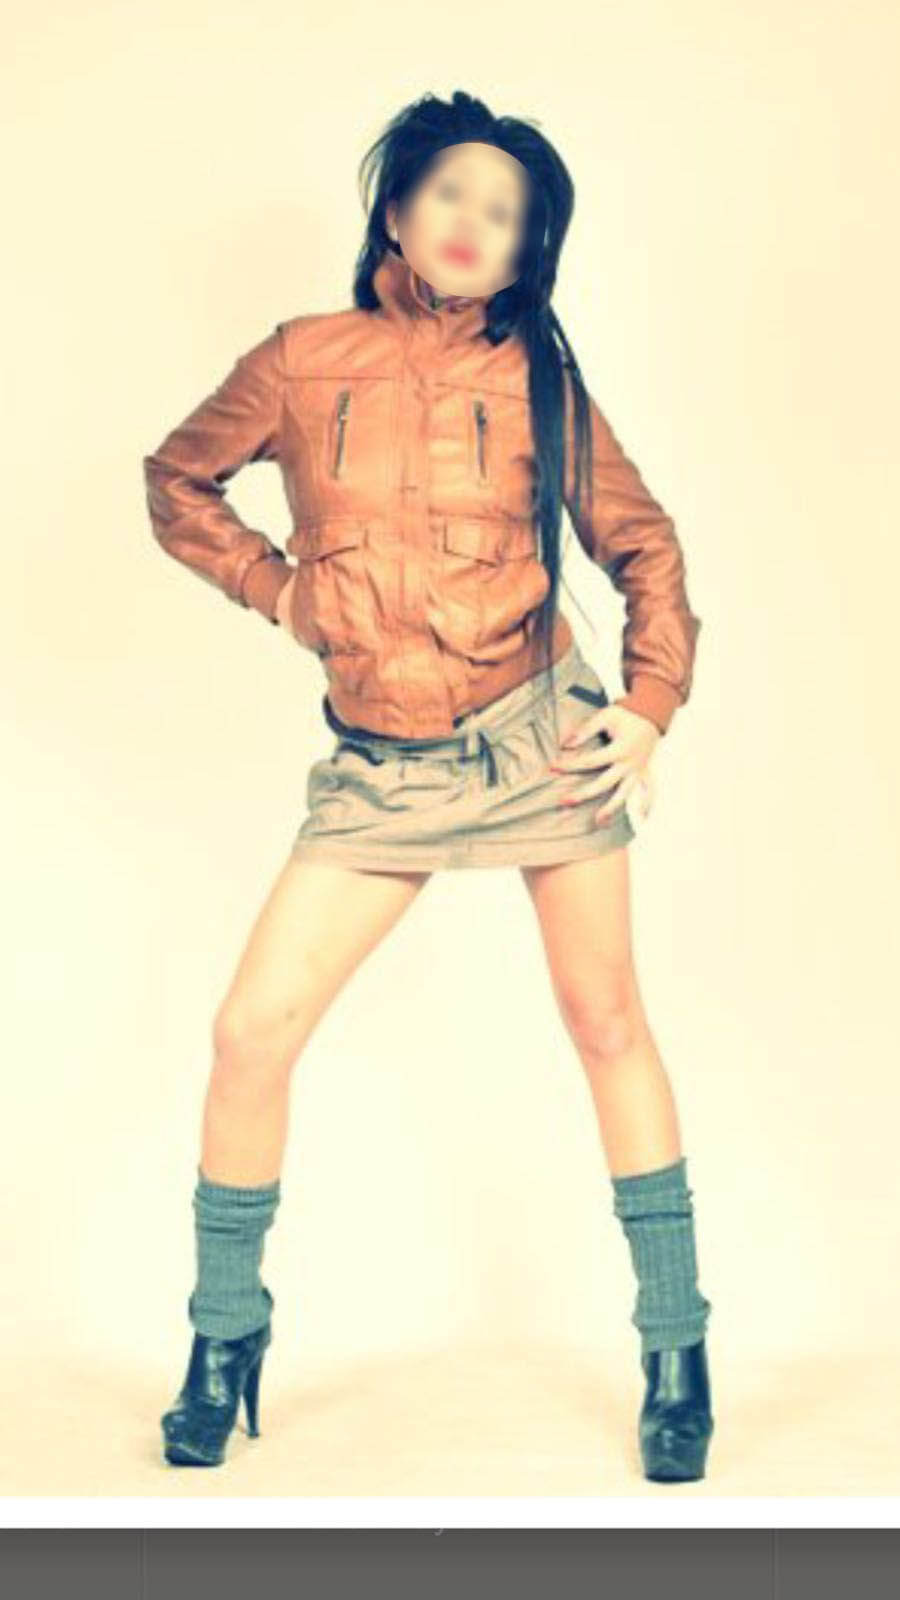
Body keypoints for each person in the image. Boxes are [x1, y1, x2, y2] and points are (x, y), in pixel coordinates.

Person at [143, 89, 711, 1481]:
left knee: (607, 1022)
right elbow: (178, 482)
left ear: (525, 253)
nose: (473, 223)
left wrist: (647, 707)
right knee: (249, 1034)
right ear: (397, 211)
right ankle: (224, 1336)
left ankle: (678, 1351)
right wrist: (276, 590)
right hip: (381, 766)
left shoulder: (540, 385)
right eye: (452, 192)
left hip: (535, 736)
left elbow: (643, 546)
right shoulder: (302, 360)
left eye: (505, 213)